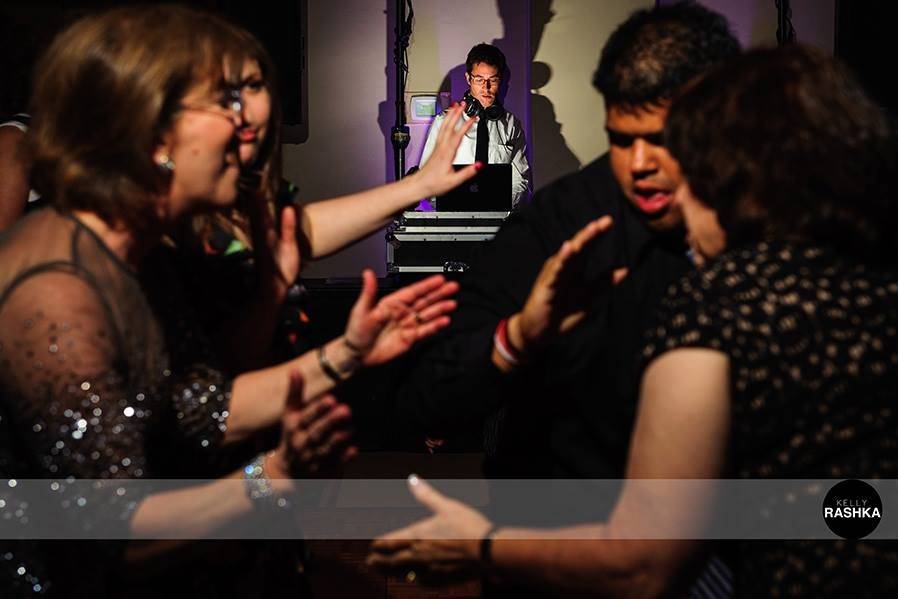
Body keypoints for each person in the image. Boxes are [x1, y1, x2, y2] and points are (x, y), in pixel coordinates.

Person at [369, 44, 898, 597]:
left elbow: (644, 564)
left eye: (692, 161)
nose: (652, 173)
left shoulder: (722, 302)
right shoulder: (867, 285)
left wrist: (479, 545)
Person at [0, 6, 471, 595]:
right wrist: (271, 476)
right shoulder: (56, 293)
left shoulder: (140, 252)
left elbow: (198, 409)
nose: (249, 126)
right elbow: (111, 532)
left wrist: (345, 355)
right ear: (152, 129)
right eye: (225, 103)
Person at [396, 3, 738, 480]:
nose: (640, 163)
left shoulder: (758, 221)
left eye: (662, 139)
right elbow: (432, 394)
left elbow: (520, 178)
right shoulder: (565, 217)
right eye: (621, 138)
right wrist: (516, 340)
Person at [420, 43, 531, 208]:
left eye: (492, 80)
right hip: (454, 221)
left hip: (498, 220)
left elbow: (520, 178)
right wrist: (449, 208)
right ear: (468, 79)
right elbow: (427, 175)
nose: (486, 88)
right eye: (479, 80)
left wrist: (500, 207)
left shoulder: (511, 125)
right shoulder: (445, 121)